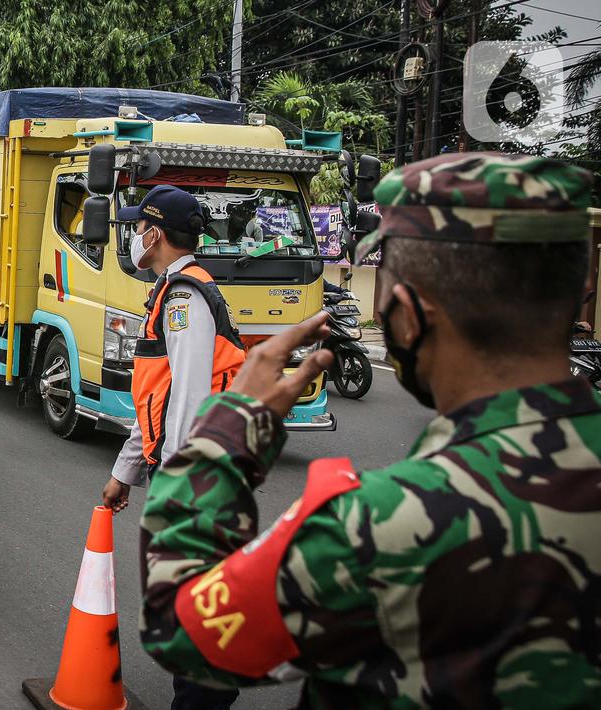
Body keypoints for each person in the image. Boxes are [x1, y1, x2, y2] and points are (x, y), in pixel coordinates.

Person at [138, 153, 600, 707]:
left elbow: (186, 630)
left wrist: (227, 436)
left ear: (405, 314)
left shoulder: (377, 527)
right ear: (582, 295)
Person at [99, 184, 246, 710]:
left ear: (155, 233)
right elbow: (158, 399)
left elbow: (187, 400)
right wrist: (126, 470)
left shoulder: (184, 298)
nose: (135, 236)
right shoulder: (175, 292)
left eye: (139, 227)